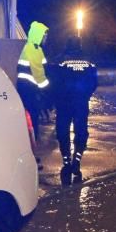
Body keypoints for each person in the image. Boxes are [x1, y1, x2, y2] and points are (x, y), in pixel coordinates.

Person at [48, 36, 97, 185]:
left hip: (64, 103)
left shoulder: (59, 60)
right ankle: (77, 159)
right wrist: (85, 95)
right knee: (81, 131)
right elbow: (94, 82)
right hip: (81, 102)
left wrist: (55, 98)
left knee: (62, 131)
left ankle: (66, 161)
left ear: (67, 44)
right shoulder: (89, 61)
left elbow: (53, 82)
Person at [16, 21, 49, 143]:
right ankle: (32, 145)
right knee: (32, 117)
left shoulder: (34, 48)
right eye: (44, 36)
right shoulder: (33, 49)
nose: (45, 39)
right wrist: (47, 89)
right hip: (29, 89)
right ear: (38, 36)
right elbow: (39, 73)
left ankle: (31, 142)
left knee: (30, 116)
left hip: (27, 88)